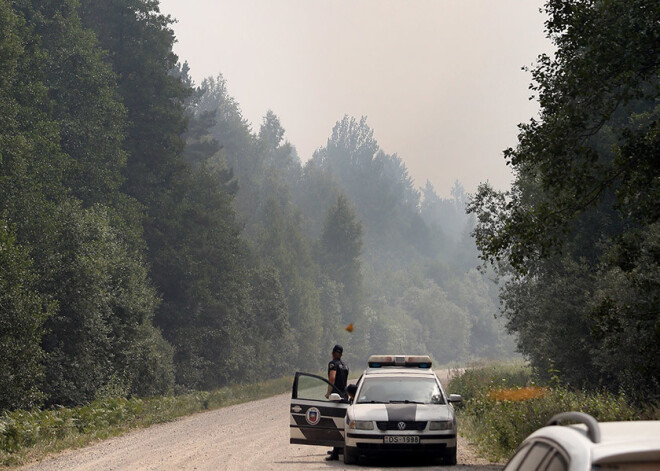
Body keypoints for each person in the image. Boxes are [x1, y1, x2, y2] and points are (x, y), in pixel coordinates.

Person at [325, 344, 349, 461]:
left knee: (335, 424)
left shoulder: (333, 364)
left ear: (333, 353)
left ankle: (335, 454)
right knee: (341, 423)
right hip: (344, 396)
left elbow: (332, 378)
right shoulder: (345, 365)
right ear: (341, 354)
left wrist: (328, 393)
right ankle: (339, 448)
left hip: (336, 397)